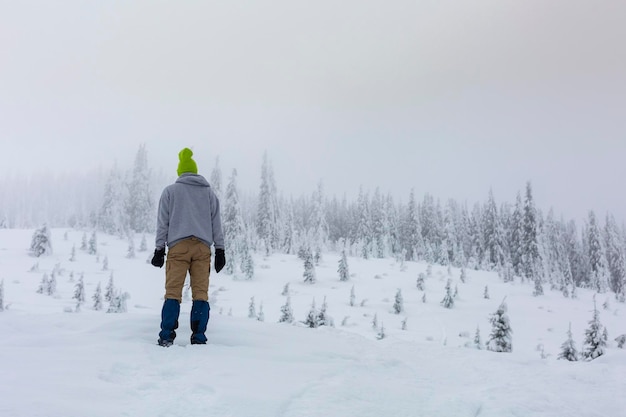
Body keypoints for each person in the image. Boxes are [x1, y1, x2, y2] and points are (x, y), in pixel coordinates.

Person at [151, 148, 225, 346]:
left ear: (180, 172)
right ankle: (198, 337)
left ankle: (167, 335)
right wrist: (220, 250)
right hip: (202, 248)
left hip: (178, 247)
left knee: (173, 292)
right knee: (200, 293)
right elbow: (216, 223)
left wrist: (159, 249)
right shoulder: (209, 193)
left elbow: (163, 223)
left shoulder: (170, 192)